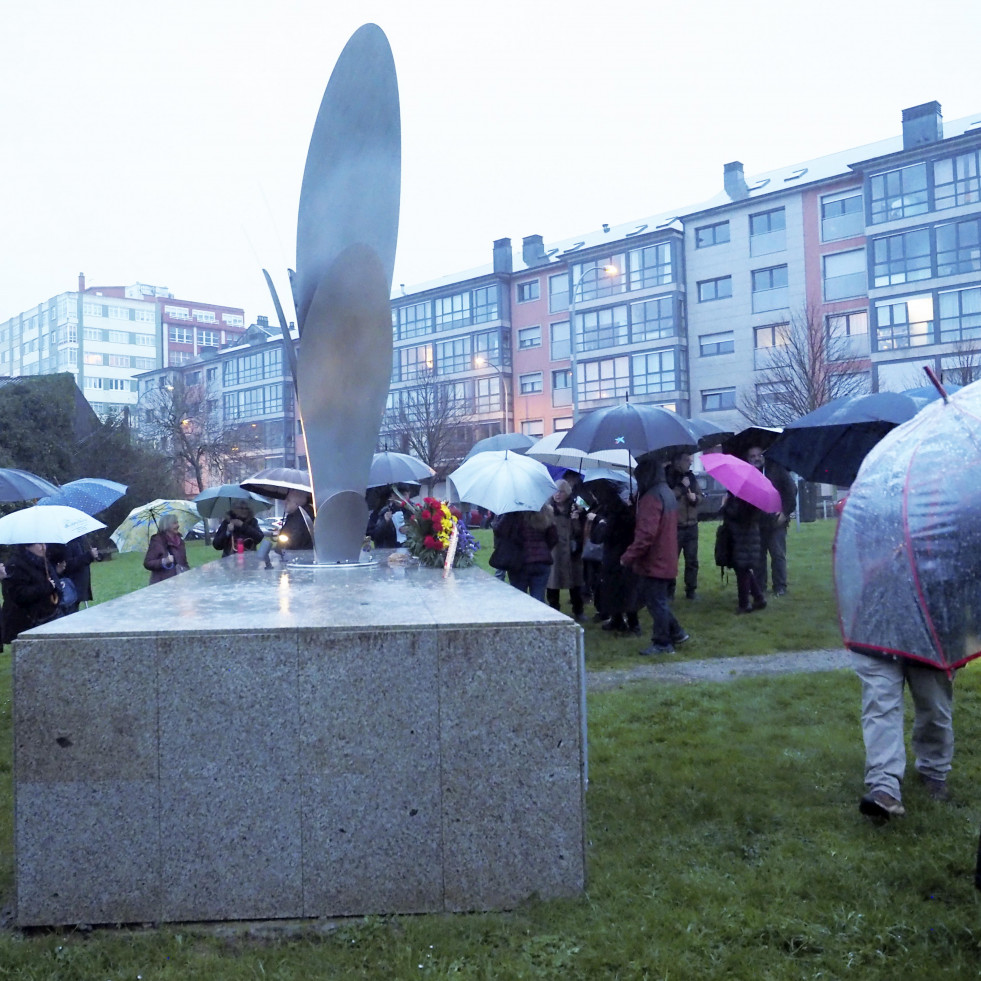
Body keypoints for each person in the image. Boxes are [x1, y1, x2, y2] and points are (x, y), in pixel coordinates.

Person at [853, 652, 953, 818]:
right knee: (880, 704)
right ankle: (884, 786)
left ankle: (934, 769)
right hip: (877, 633)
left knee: (934, 705)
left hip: (931, 635)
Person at [620, 456, 689, 655]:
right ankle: (676, 633)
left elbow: (646, 534)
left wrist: (628, 556)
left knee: (655, 602)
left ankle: (663, 643)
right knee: (657, 600)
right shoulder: (666, 492)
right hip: (666, 555)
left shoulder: (651, 497)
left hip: (654, 559)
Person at [747, 445, 796, 595]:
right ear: (748, 459)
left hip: (776, 521)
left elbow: (792, 490)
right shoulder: (748, 474)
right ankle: (760, 587)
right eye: (752, 456)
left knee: (777, 554)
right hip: (756, 522)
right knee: (758, 557)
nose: (756, 458)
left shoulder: (776, 469)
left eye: (758, 455)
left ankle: (780, 587)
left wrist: (785, 513)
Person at [1, 543, 61, 643]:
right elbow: (19, 595)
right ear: (27, 546)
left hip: (49, 617)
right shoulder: (15, 565)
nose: (43, 547)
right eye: (39, 544)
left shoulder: (44, 562)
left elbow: (54, 583)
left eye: (44, 544)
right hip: (28, 622)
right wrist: (47, 587)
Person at [496, 505, 558, 603]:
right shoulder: (545, 512)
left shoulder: (513, 513)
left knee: (520, 599)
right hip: (542, 561)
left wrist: (507, 514)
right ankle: (538, 618)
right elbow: (553, 537)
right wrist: (544, 549)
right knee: (538, 599)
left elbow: (499, 531)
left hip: (519, 562)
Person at [720, 492, 767, 614]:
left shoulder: (743, 498)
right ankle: (758, 598)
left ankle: (744, 604)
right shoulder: (753, 496)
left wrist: (724, 505)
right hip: (748, 535)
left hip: (742, 537)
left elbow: (736, 514)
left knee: (742, 570)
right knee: (743, 569)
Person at [546, 479, 587, 620]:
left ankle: (578, 611)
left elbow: (590, 512)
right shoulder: (547, 507)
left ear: (568, 492)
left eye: (561, 491)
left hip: (572, 550)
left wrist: (577, 517)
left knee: (575, 581)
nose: (557, 494)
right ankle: (553, 610)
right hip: (554, 550)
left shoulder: (576, 504)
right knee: (553, 581)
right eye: (555, 491)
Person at [665, 451, 702, 600]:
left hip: (692, 524)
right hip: (675, 526)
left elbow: (699, 496)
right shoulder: (668, 477)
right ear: (677, 462)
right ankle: (669, 591)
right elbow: (667, 498)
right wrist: (681, 487)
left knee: (692, 560)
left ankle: (691, 590)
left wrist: (695, 498)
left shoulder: (691, 477)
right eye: (687, 460)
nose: (690, 463)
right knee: (672, 560)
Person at [46, 537, 101, 613]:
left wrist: (94, 555)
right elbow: (67, 564)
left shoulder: (78, 539)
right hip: (70, 587)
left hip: (78, 585)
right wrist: (89, 556)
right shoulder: (63, 543)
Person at [143, 514, 190, 585]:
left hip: (180, 583)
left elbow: (184, 562)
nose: (178, 525)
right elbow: (147, 563)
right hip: (163, 583)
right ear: (166, 525)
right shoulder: (157, 541)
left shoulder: (180, 540)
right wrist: (164, 561)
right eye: (174, 523)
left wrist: (189, 574)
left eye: (177, 522)